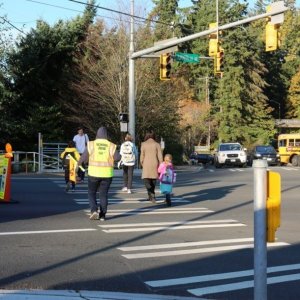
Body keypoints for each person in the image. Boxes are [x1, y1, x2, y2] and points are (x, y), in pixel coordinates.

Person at [78, 126, 120, 221]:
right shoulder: (111, 145)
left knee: (91, 193)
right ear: (106, 135)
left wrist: (79, 163)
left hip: (93, 173)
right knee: (103, 194)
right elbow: (117, 158)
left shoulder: (91, 144)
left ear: (97, 134)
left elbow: (84, 157)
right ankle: (103, 215)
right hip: (107, 174)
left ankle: (94, 211)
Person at [140, 129, 163, 203]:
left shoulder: (143, 144)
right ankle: (152, 196)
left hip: (146, 163)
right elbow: (160, 156)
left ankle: (150, 194)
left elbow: (142, 156)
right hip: (155, 163)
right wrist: (161, 164)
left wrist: (142, 163)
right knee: (153, 180)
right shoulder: (157, 144)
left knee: (146, 179)